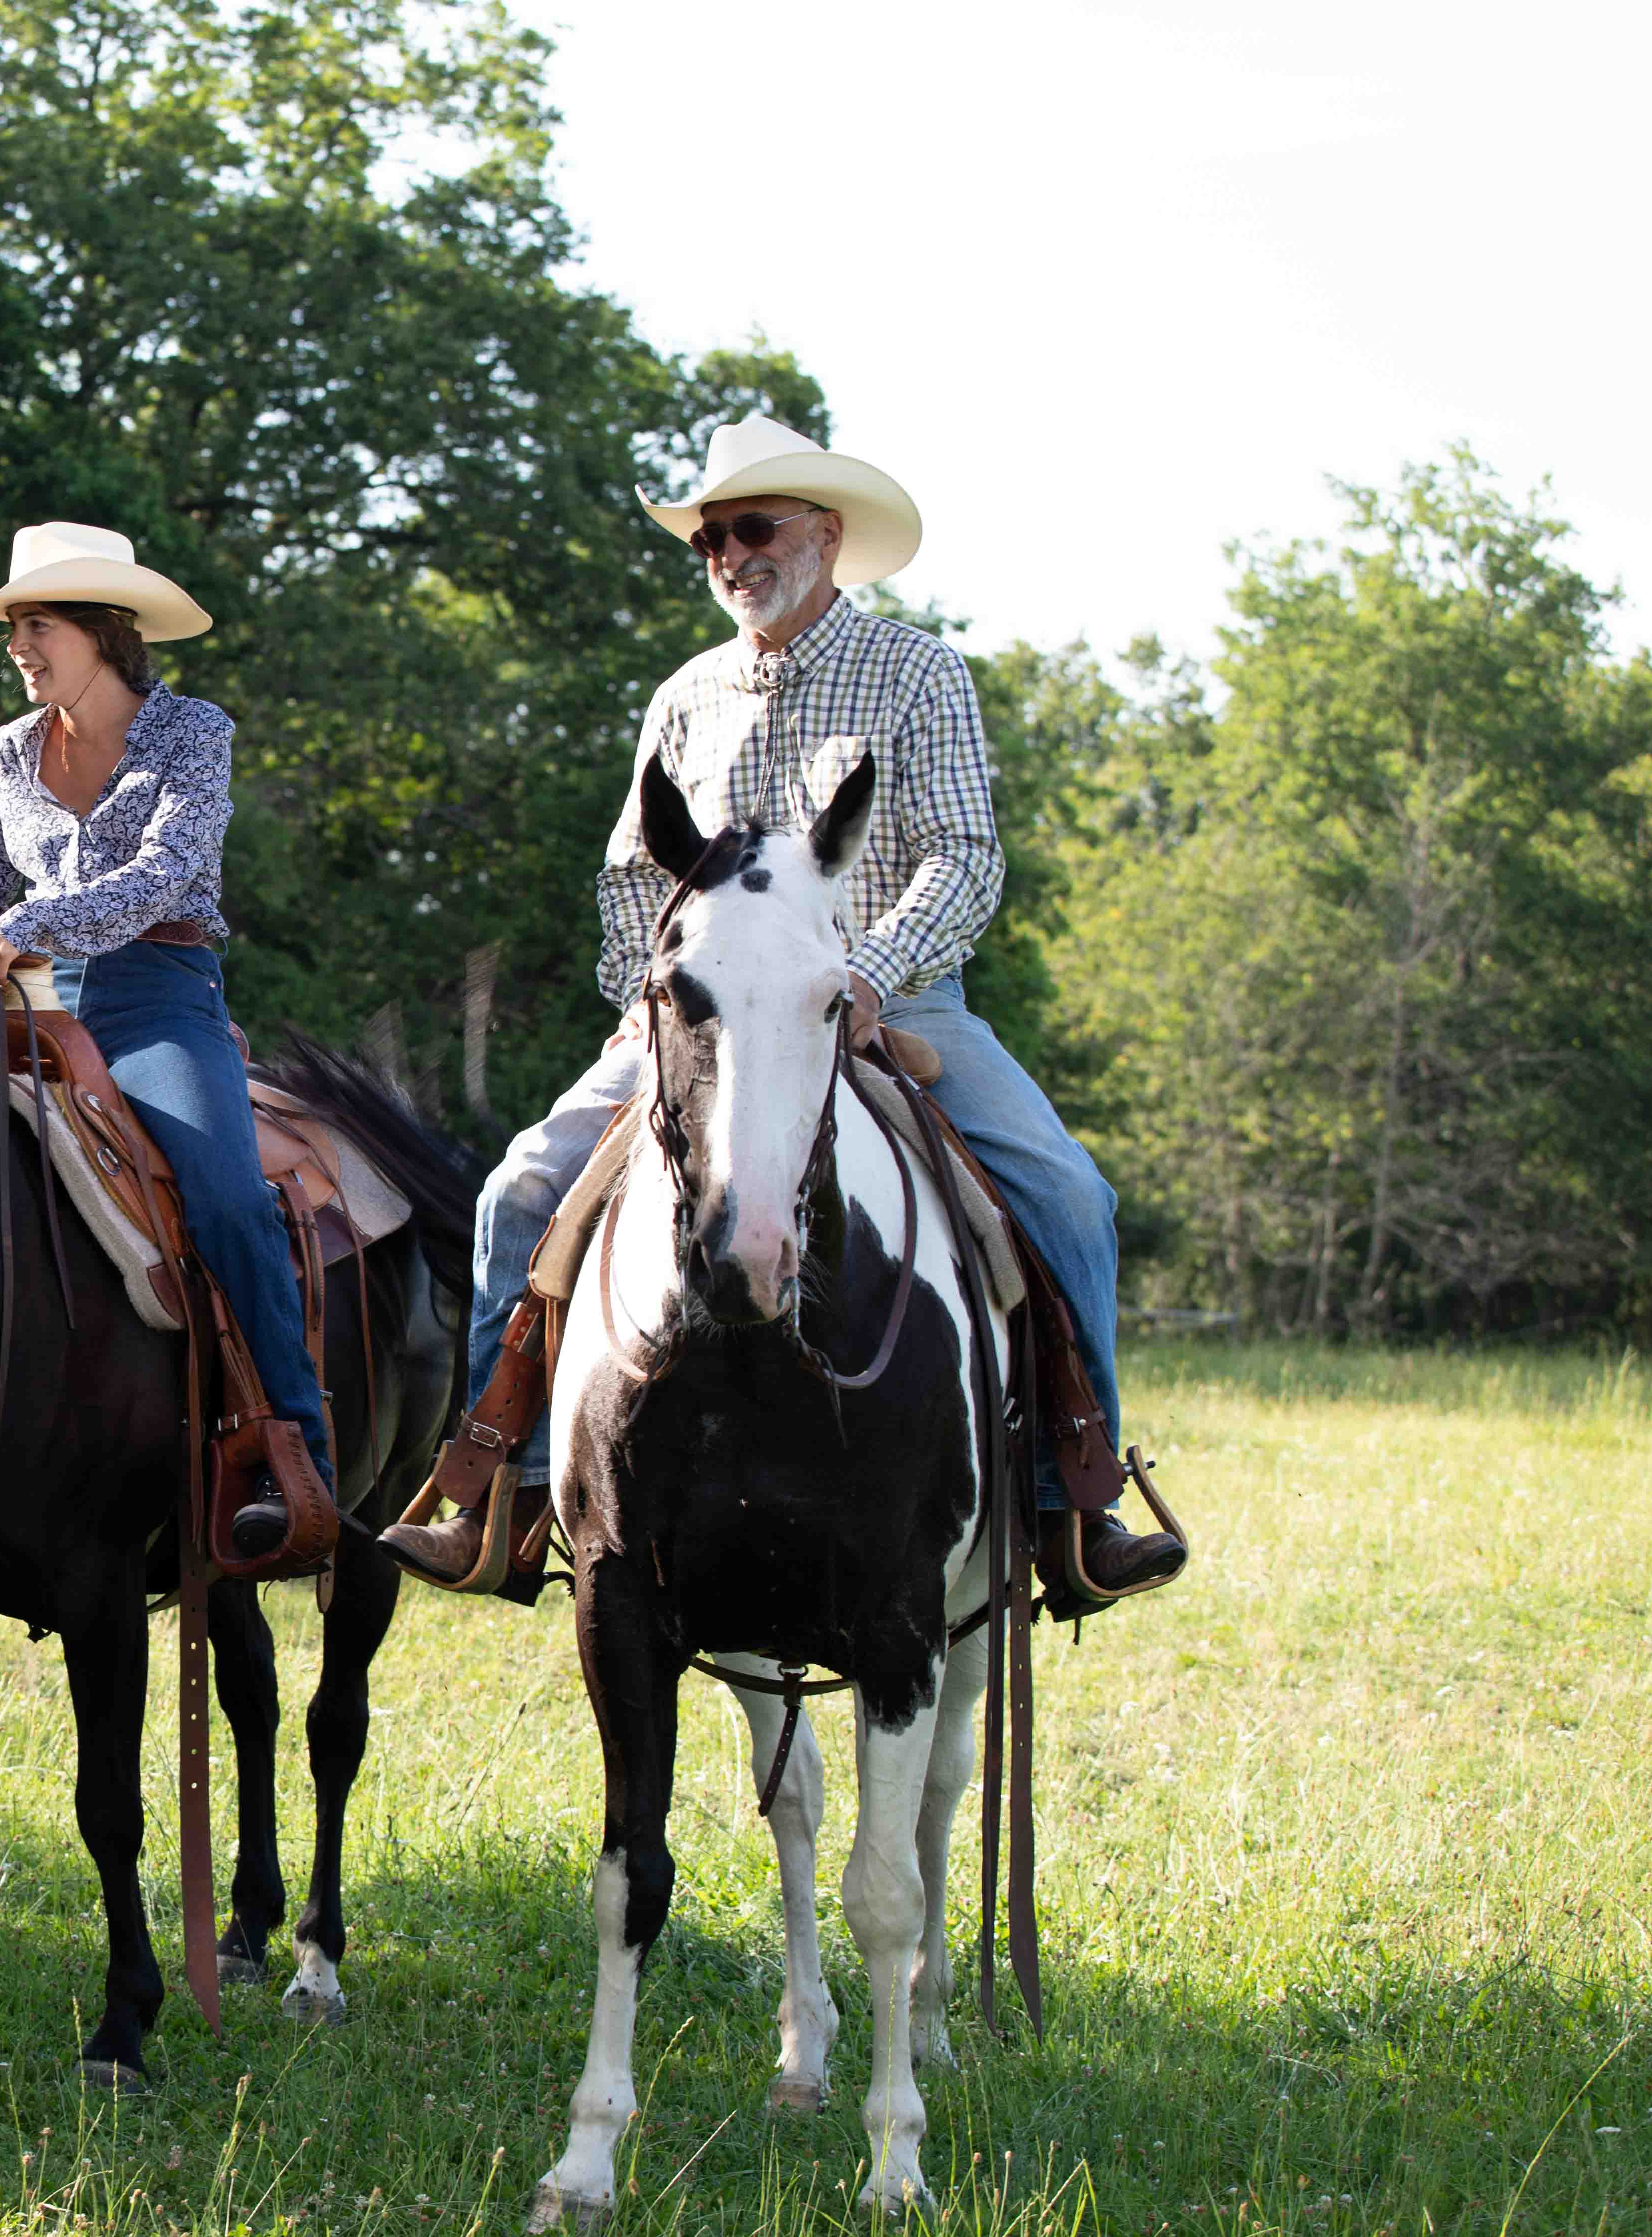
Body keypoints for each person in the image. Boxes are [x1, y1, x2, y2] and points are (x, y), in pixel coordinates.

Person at [378, 419, 1185, 1606]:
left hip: (891, 997)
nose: (730, 554)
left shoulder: (920, 673)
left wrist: (871, 974)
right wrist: (638, 1011)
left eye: (754, 528)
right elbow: (628, 881)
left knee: (1068, 1194)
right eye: (712, 537)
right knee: (518, 1191)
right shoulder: (685, 695)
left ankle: (1077, 1498)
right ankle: (506, 1484)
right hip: (700, 1027)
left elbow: (963, 856)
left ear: (826, 535)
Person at [0, 521, 336, 1515]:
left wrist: (32, 920)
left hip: (157, 994)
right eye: (12, 628)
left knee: (223, 1197)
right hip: (19, 1008)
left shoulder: (194, 734)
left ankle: (289, 1452)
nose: (18, 648)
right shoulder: (9, 752)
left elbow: (165, 874)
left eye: (35, 624)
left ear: (102, 629)